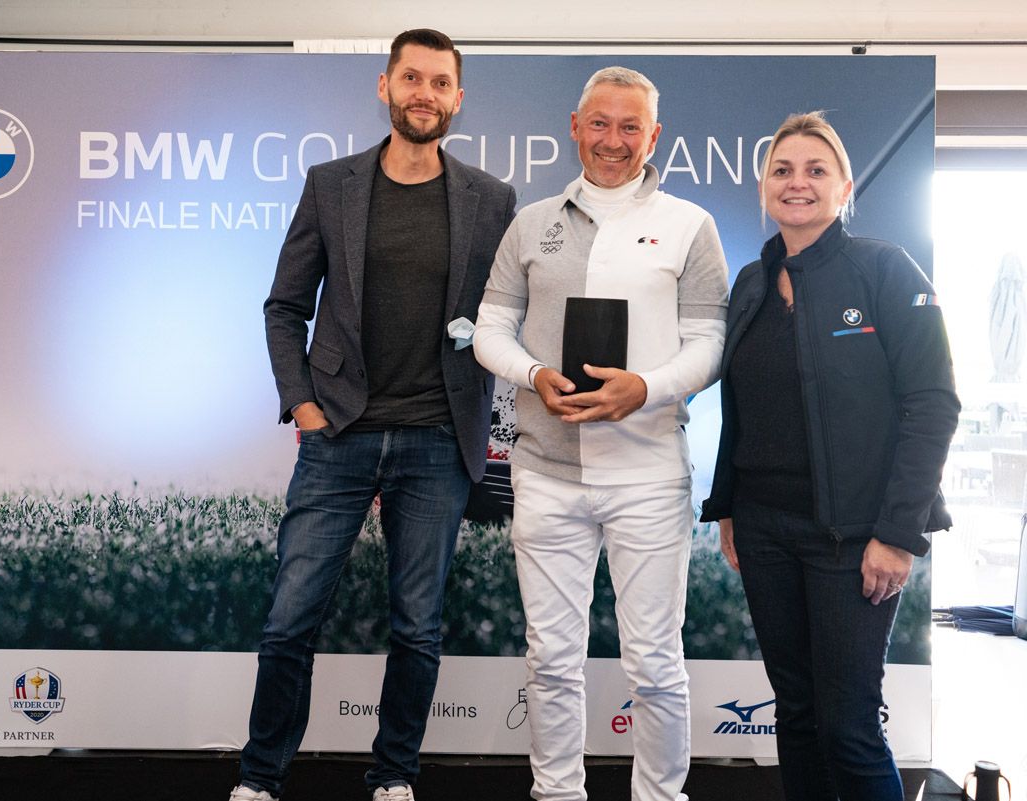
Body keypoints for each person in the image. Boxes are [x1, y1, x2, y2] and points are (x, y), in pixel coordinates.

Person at [231, 28, 517, 801]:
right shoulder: (332, 185)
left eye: (440, 83)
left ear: (458, 98)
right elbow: (285, 306)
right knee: (290, 619)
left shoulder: (493, 200)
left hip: (438, 439)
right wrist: (303, 405)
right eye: (412, 78)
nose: (426, 94)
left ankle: (394, 774)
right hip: (339, 433)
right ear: (385, 86)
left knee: (417, 625)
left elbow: (508, 313)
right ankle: (260, 776)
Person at [473, 66, 728, 801]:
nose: (613, 140)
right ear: (575, 128)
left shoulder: (690, 224)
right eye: (599, 123)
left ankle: (661, 795)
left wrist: (645, 387)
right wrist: (532, 374)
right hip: (546, 475)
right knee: (551, 661)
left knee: (655, 664)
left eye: (630, 127)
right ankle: (556, 792)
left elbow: (710, 344)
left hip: (648, 475)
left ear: (654, 136)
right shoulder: (531, 223)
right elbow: (489, 330)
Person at [699, 111, 960, 801]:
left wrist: (898, 534)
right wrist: (728, 508)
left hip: (855, 537)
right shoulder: (752, 283)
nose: (798, 182)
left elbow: (933, 403)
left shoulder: (884, 269)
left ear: (845, 188)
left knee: (848, 726)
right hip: (764, 529)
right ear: (764, 187)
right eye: (782, 170)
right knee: (797, 713)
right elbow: (740, 407)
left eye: (816, 170)